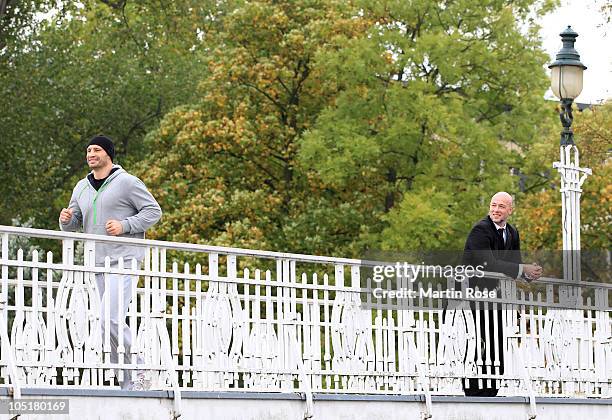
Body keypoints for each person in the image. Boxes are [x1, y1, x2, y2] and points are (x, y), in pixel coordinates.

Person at [59, 135, 162, 390]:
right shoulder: (81, 187)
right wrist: (66, 219)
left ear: (108, 154)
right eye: (88, 150)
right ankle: (130, 382)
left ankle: (141, 369)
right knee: (107, 326)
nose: (90, 154)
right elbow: (74, 223)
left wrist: (125, 225)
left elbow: (153, 212)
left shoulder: (127, 182)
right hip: (98, 263)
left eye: (96, 149)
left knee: (110, 319)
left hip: (124, 259)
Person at [462, 191, 542, 397]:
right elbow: (488, 263)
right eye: (493, 205)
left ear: (510, 210)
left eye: (501, 207)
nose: (495, 210)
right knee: (478, 341)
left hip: (497, 298)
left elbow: (515, 263)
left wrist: (529, 274)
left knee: (498, 342)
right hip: (473, 296)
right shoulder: (480, 230)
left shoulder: (512, 232)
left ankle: (491, 388)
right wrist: (521, 269)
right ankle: (473, 391)